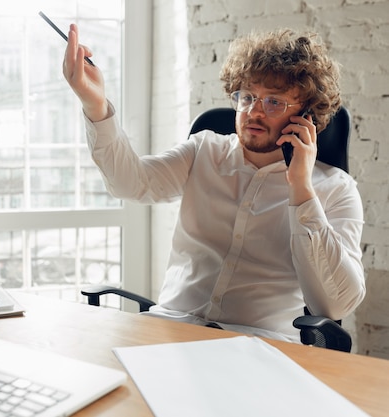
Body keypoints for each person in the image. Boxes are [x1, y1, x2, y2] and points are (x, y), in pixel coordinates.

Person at [62, 25, 365, 342]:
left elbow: (335, 304)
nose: (253, 112)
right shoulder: (204, 150)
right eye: (247, 97)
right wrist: (94, 104)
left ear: (307, 115)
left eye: (273, 102)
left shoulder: (336, 189)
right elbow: (130, 183)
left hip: (257, 344)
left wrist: (301, 190)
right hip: (172, 328)